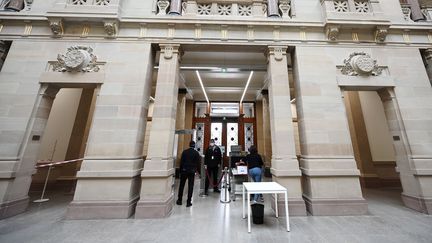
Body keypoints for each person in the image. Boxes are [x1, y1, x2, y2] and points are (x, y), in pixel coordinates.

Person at [176, 141, 201, 207]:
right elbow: (198, 164)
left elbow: (181, 162)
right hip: (192, 172)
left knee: (181, 186)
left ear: (189, 145)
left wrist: (180, 171)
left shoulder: (184, 152)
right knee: (190, 186)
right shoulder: (196, 153)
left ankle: (179, 200)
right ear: (194, 146)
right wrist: (199, 172)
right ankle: (188, 202)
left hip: (184, 171)